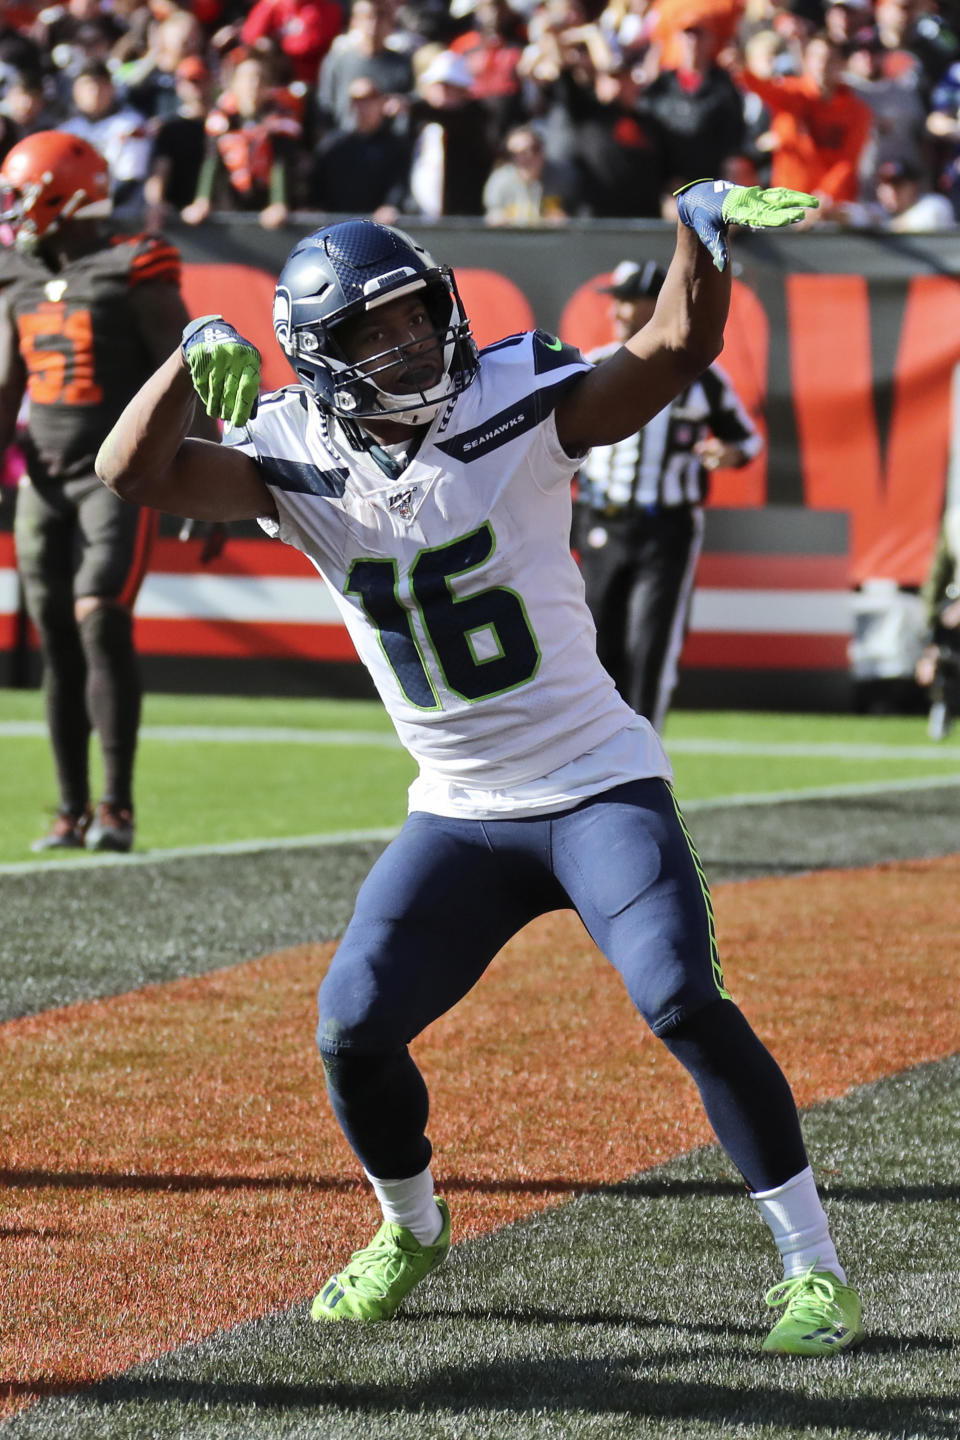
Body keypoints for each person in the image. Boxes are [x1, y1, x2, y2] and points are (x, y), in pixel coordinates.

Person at [95, 178, 865, 1355]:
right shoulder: (290, 449)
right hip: (457, 810)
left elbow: (669, 348)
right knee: (350, 1027)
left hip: (596, 779)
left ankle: (814, 1266)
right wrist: (191, 354)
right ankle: (409, 1225)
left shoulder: (513, 392)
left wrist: (692, 232)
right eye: (373, 331)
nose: (408, 340)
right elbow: (128, 476)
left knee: (680, 997)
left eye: (414, 313)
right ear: (321, 356)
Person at [0, 130, 216, 852]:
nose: (17, 213)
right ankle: (70, 809)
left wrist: (215, 472)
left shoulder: (135, 267)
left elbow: (190, 367)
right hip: (42, 480)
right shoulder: (18, 275)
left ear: (66, 195)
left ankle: (115, 806)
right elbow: (7, 387)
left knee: (100, 618)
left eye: (26, 196)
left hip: (116, 479)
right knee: (57, 637)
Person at [572, 257, 763, 732]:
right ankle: (592, 751)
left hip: (666, 528)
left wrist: (728, 454)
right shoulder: (590, 366)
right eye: (614, 300)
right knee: (595, 645)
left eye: (627, 300)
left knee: (650, 646)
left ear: (656, 305)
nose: (616, 311)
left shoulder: (699, 376)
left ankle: (645, 755)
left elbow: (747, 440)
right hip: (600, 522)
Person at [916, 502, 960, 739]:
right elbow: (938, 575)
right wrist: (932, 625)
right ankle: (944, 704)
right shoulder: (955, 520)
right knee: (943, 653)